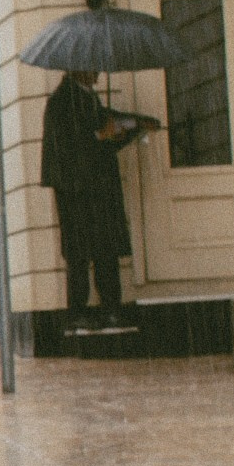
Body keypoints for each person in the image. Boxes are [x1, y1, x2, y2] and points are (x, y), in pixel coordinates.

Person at [41, 68, 140, 315]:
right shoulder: (62, 101)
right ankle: (84, 313)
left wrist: (125, 129)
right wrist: (102, 135)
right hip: (78, 191)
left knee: (100, 250)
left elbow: (97, 136)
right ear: (78, 69)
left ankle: (105, 309)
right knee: (83, 254)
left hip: (92, 188)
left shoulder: (84, 98)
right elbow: (70, 146)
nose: (98, 72)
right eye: (92, 67)